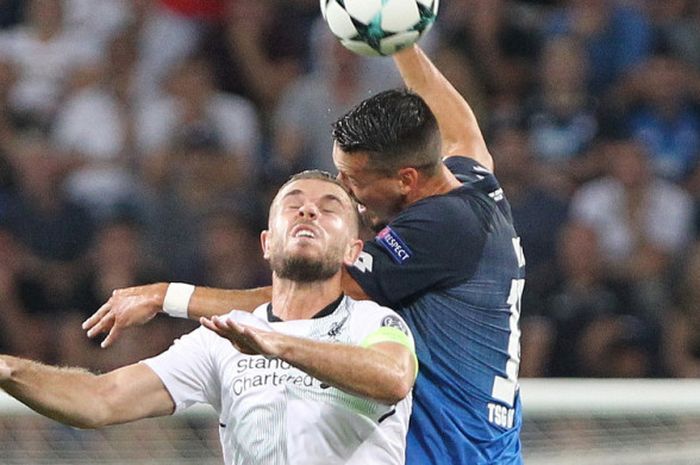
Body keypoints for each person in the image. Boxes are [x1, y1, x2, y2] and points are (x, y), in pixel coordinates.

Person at [84, 44, 525, 464]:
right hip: (488, 446)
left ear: (405, 180)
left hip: (453, 454)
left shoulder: (438, 230)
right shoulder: (469, 181)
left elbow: (304, 295)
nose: (344, 189)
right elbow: (463, 132)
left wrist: (166, 296)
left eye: (354, 178)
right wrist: (401, 45)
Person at [1, 170, 418, 465]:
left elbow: (393, 378)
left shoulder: (375, 323)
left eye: (329, 209)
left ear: (352, 252)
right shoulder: (220, 340)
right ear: (267, 244)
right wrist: (7, 371)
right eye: (293, 206)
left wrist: (279, 344)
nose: (308, 213)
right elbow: (100, 399)